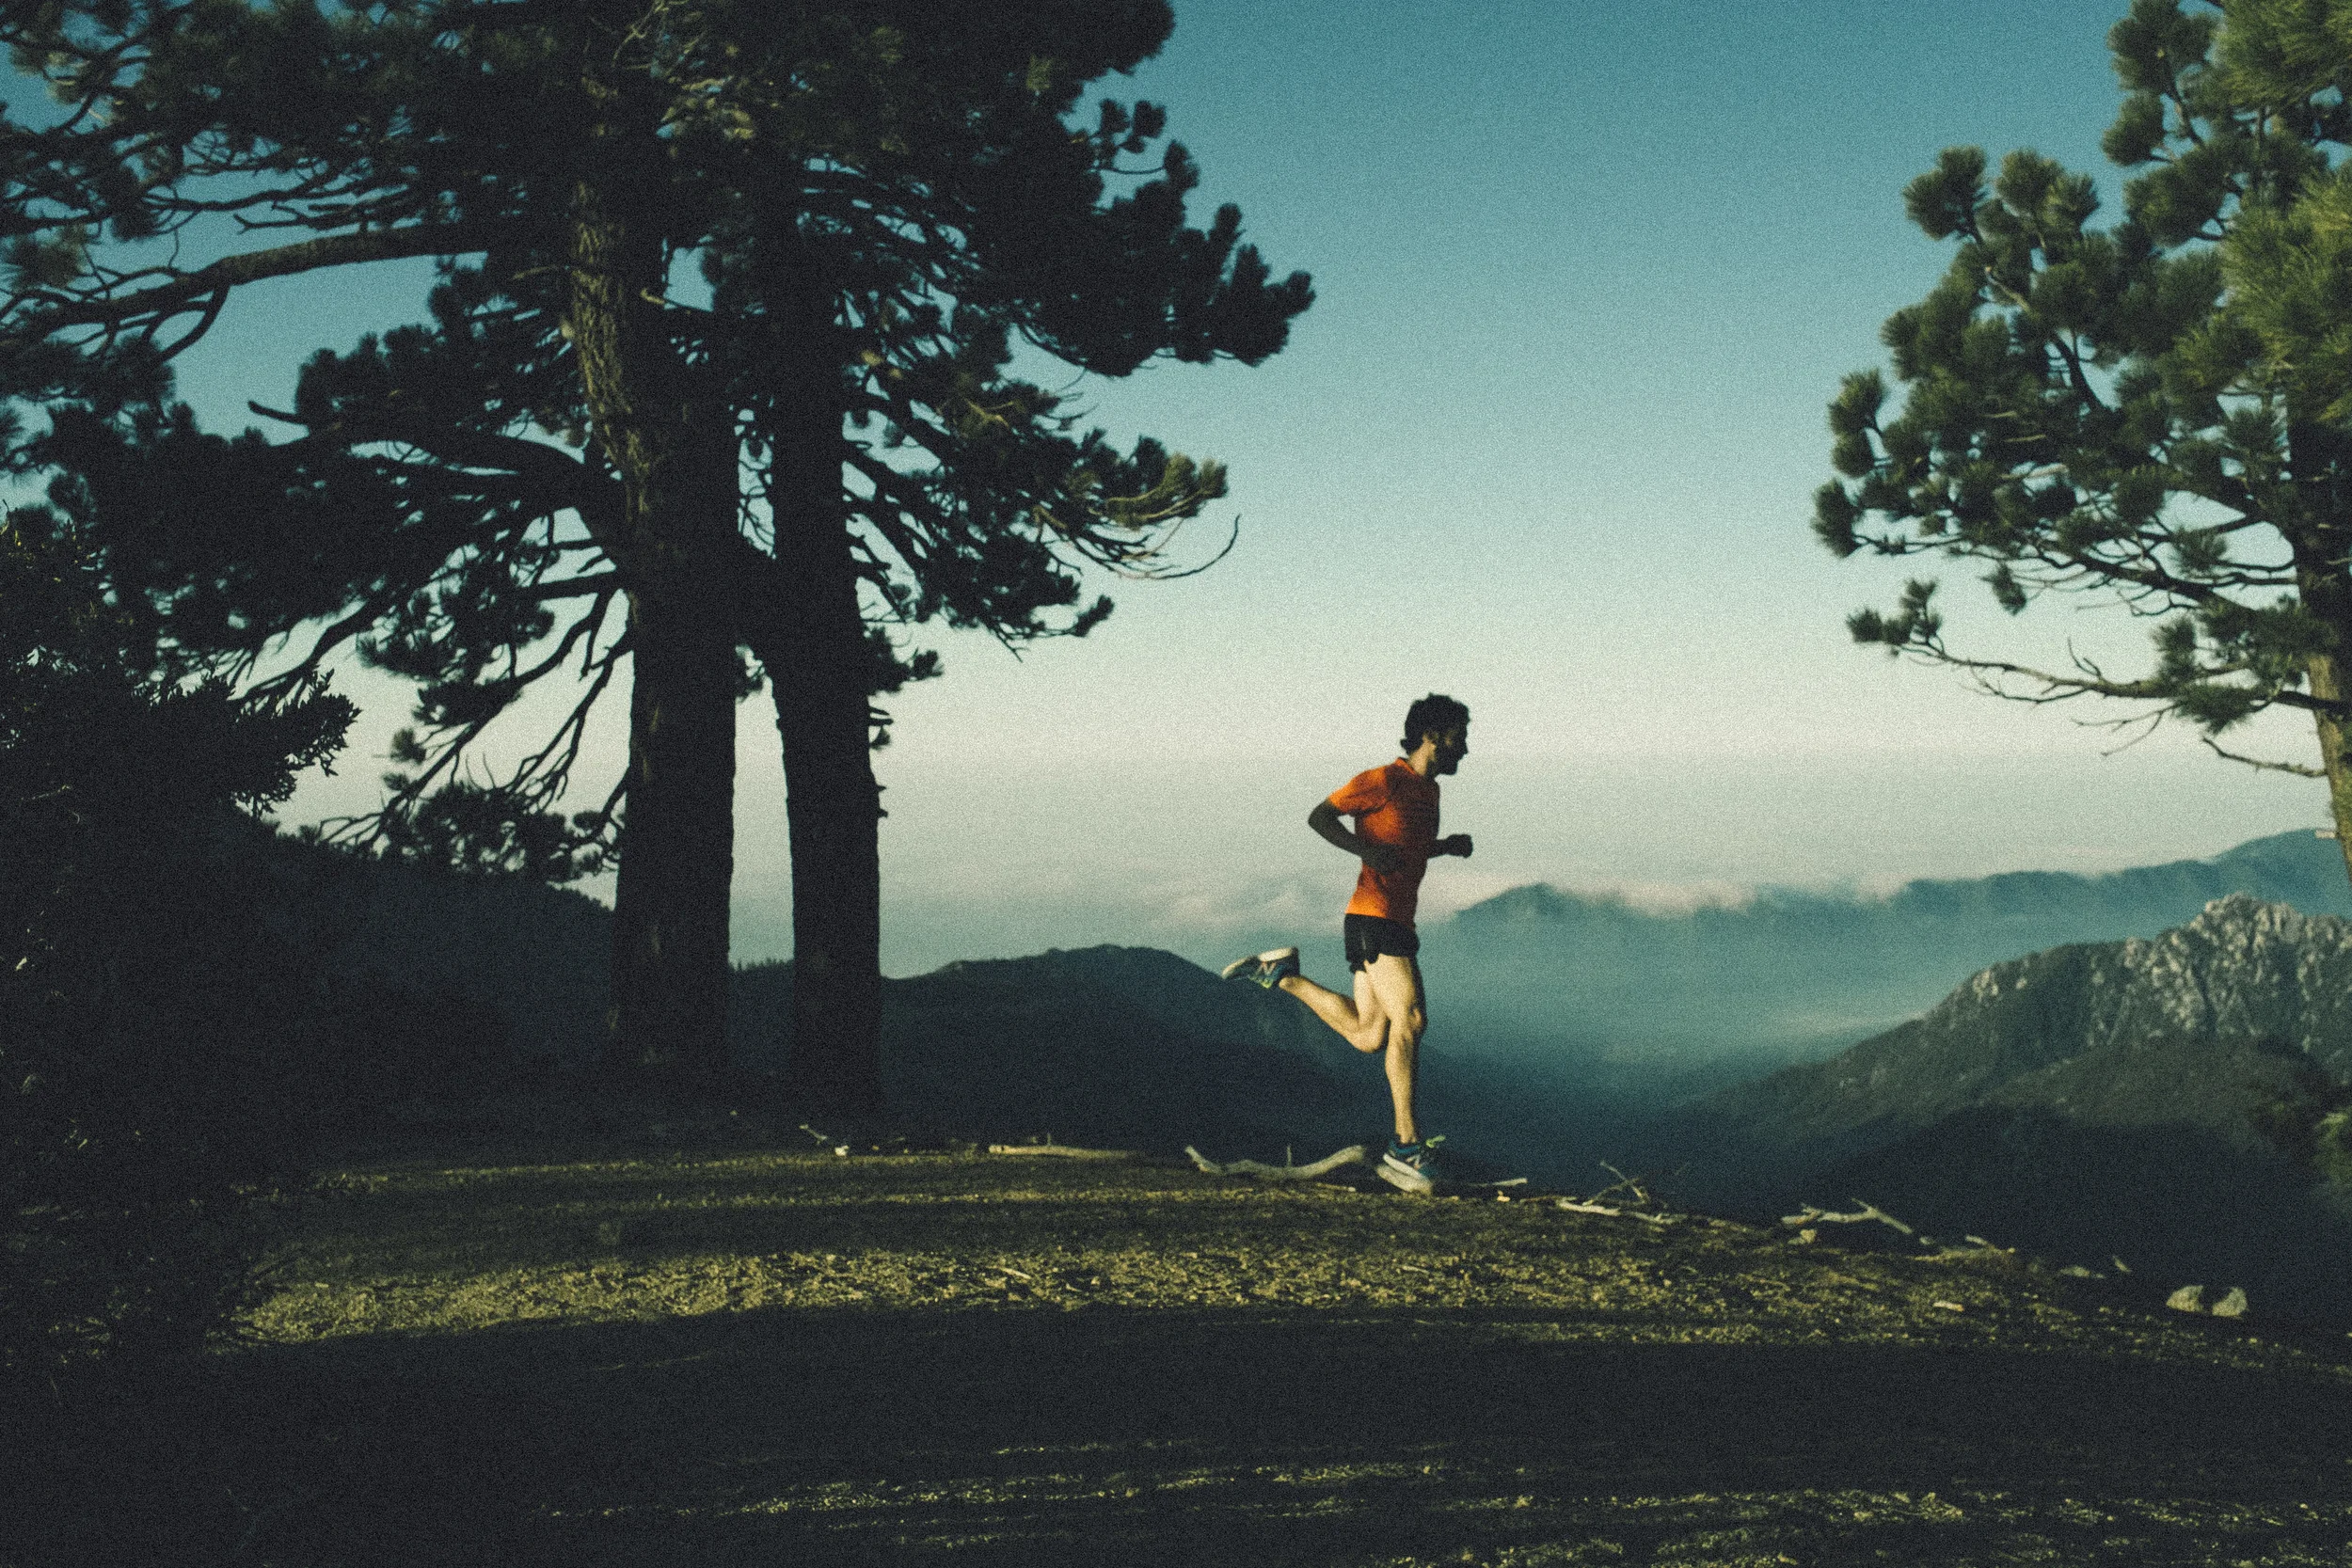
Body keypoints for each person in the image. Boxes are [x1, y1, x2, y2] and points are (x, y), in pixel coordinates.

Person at [1223, 693, 1472, 1193]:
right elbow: (1319, 816)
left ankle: (1284, 976)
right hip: (1374, 918)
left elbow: (1408, 844)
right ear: (1430, 736)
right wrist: (1363, 850)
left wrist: (1445, 847)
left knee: (1368, 1035)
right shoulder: (1382, 780)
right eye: (1457, 738)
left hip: (1390, 920)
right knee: (1412, 1020)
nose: (1464, 749)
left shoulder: (1430, 792)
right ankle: (1406, 1146)